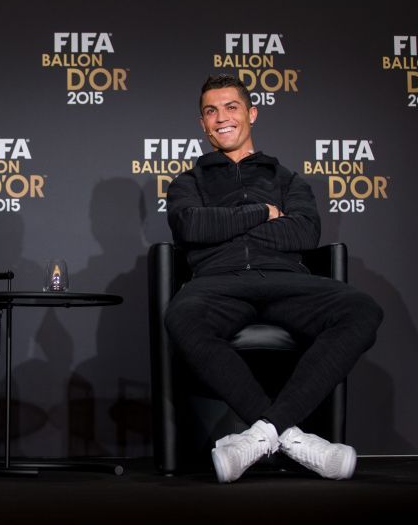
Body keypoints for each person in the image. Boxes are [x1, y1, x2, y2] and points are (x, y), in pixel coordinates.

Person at [164, 74, 383, 483]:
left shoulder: (287, 179)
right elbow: (191, 227)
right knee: (181, 315)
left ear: (251, 112)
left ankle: (264, 435)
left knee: (361, 309)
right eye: (211, 111)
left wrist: (225, 225)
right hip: (220, 280)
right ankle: (296, 439)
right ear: (202, 124)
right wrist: (262, 213)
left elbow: (303, 232)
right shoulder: (187, 183)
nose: (221, 117)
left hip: (286, 279)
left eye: (231, 107)